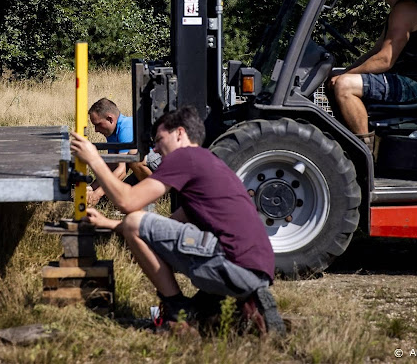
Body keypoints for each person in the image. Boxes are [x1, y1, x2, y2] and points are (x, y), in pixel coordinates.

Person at [70, 106, 284, 335]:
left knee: (134, 221)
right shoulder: (208, 163)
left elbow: (128, 202)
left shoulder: (185, 156)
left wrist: (93, 158)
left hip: (233, 265)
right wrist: (109, 224)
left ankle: (177, 313)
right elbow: (167, 226)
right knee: (210, 322)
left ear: (180, 134)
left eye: (160, 139)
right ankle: (243, 305)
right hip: (254, 269)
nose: (156, 147)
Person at [329, 0, 417, 152]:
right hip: (404, 79)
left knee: (345, 86)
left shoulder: (405, 10)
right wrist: (344, 71)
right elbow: (375, 52)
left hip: (415, 84)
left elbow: (384, 60)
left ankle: (365, 152)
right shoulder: (398, 10)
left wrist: (345, 77)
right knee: (342, 79)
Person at [86, 98, 149, 205]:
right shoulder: (112, 132)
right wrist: (90, 188)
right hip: (145, 170)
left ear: (110, 119)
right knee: (117, 197)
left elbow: (121, 171)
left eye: (98, 124)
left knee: (133, 156)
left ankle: (158, 196)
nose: (96, 130)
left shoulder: (127, 127)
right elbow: (112, 166)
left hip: (160, 168)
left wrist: (97, 194)